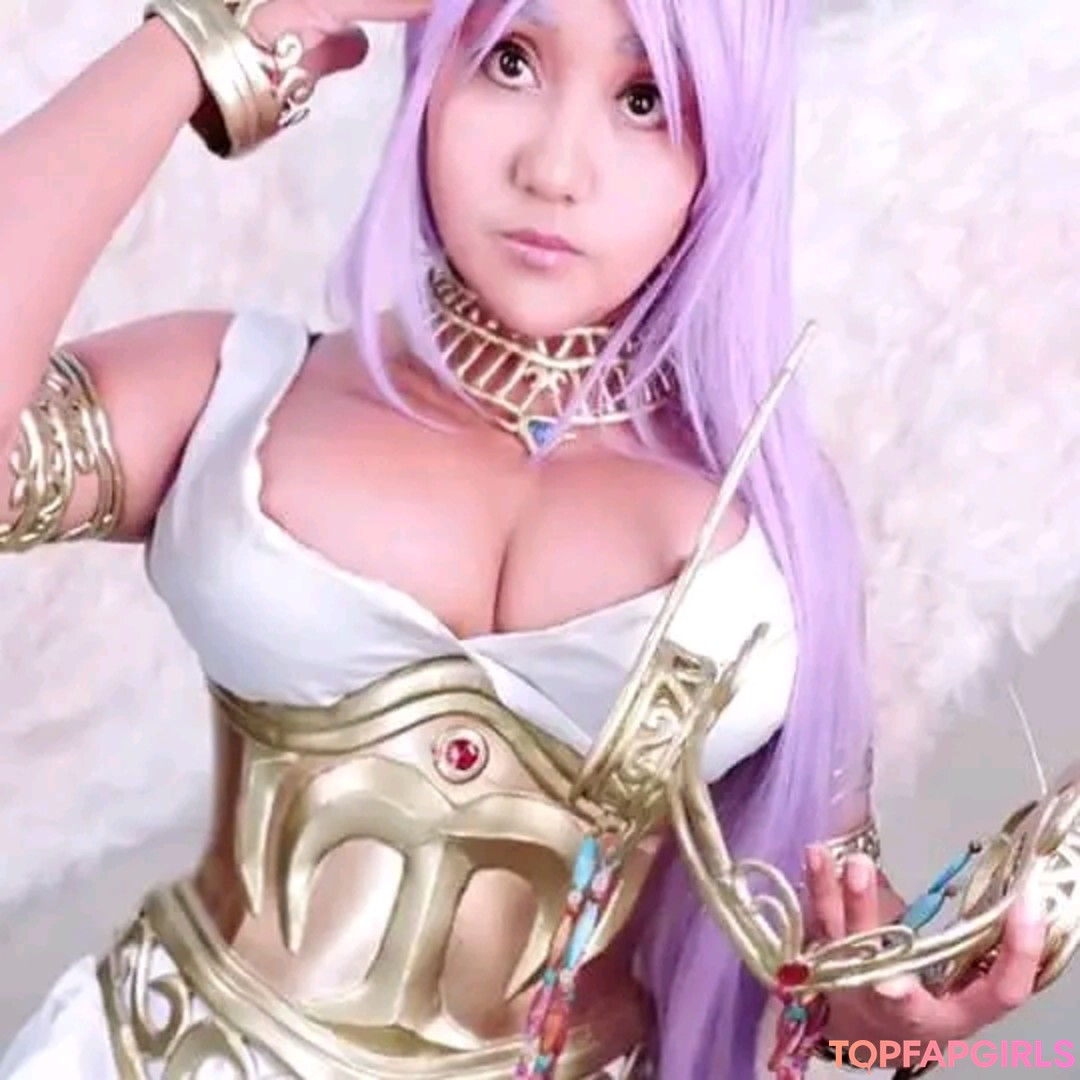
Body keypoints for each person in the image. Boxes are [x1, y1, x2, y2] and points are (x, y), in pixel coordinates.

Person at [0, 0, 1054, 1076]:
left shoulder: (778, 526)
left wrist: (892, 1027)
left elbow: (827, 968)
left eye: (645, 100)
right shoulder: (234, 390)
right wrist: (198, 41)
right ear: (427, 71)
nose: (554, 169)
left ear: (732, 145)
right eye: (509, 61)